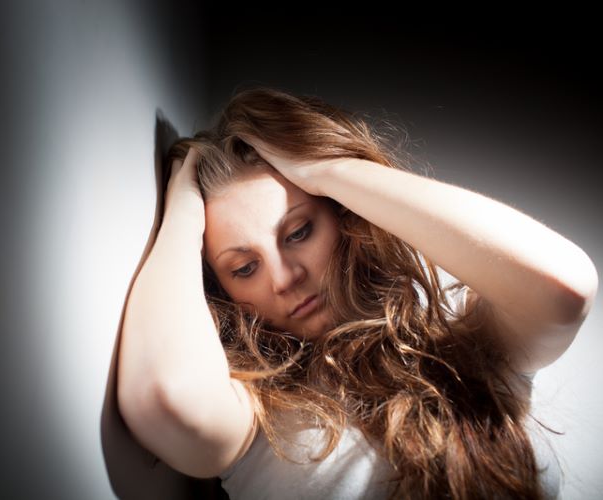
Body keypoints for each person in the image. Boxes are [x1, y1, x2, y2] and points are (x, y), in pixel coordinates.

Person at [117, 86, 598, 499]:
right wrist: (183, 206)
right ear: (220, 289)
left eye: (299, 232)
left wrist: (326, 169)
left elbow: (565, 290)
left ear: (344, 216)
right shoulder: (257, 414)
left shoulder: (461, 337)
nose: (284, 278)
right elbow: (166, 400)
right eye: (244, 267)